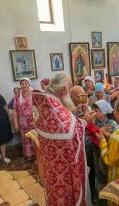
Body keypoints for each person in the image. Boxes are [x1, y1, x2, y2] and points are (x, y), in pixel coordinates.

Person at [32, 73, 90, 205]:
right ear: (63, 90)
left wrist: (75, 112)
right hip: (63, 169)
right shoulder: (52, 105)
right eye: (69, 91)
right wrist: (85, 121)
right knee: (64, 196)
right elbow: (70, 133)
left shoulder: (48, 102)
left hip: (50, 164)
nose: (68, 94)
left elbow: (63, 119)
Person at [92, 100, 117, 205]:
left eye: (97, 111)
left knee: (107, 178)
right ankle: (100, 200)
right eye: (93, 111)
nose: (94, 113)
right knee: (99, 178)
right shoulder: (95, 122)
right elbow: (91, 135)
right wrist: (99, 130)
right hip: (97, 155)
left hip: (107, 154)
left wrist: (103, 133)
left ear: (104, 111)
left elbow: (115, 141)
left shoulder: (112, 123)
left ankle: (108, 200)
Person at [13, 78, 35, 159]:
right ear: (20, 86)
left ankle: (37, 155)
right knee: (25, 139)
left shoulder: (34, 93)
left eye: (26, 83)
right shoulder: (17, 96)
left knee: (35, 138)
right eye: (22, 84)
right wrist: (15, 123)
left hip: (34, 121)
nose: (24, 85)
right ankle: (29, 155)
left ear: (29, 84)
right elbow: (15, 110)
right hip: (23, 122)